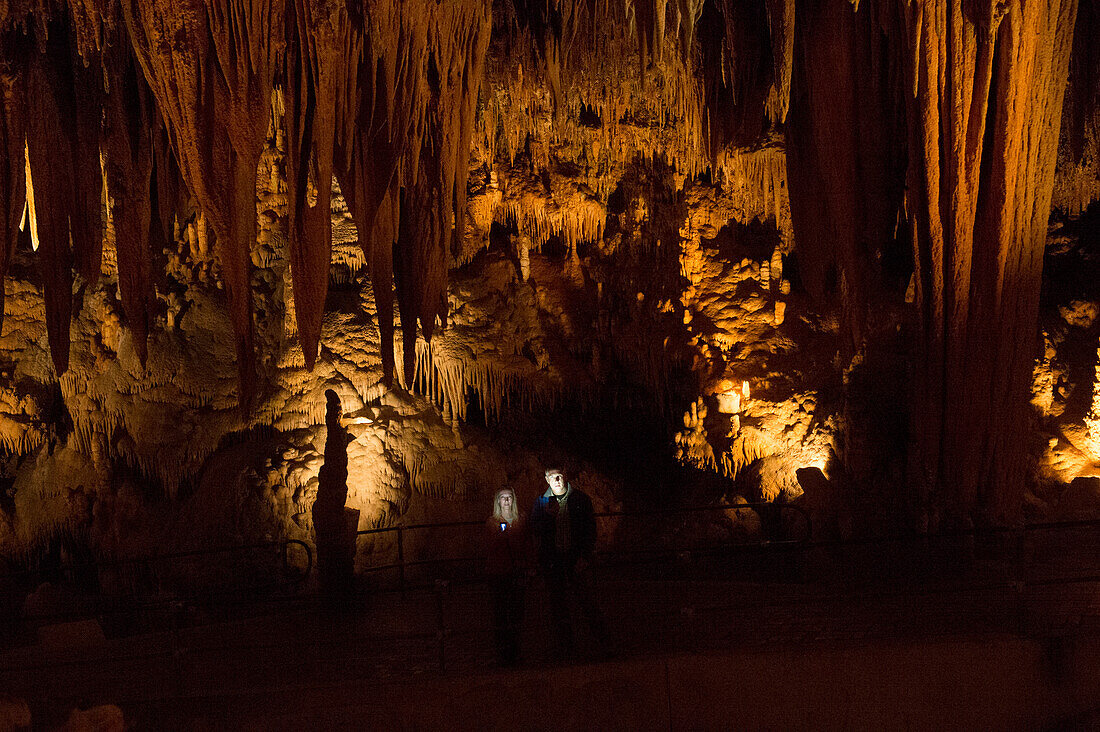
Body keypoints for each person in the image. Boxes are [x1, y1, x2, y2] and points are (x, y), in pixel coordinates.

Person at [529, 468, 609, 658]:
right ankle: (567, 646)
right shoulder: (541, 503)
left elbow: (589, 530)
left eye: (559, 476)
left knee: (586, 600)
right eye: (552, 477)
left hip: (574, 558)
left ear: (564, 476)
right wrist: (549, 517)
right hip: (554, 560)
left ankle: (603, 641)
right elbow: (536, 530)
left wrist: (584, 556)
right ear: (546, 479)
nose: (556, 480)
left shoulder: (580, 499)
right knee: (558, 604)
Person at [484, 488, 529, 665]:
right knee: (501, 612)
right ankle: (503, 652)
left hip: (517, 570)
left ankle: (515, 650)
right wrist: (499, 538)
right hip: (498, 572)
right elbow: (487, 547)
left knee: (517, 611)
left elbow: (527, 543)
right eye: (503, 498)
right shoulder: (492, 522)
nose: (506, 501)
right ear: (498, 501)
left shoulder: (521, 520)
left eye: (509, 497)